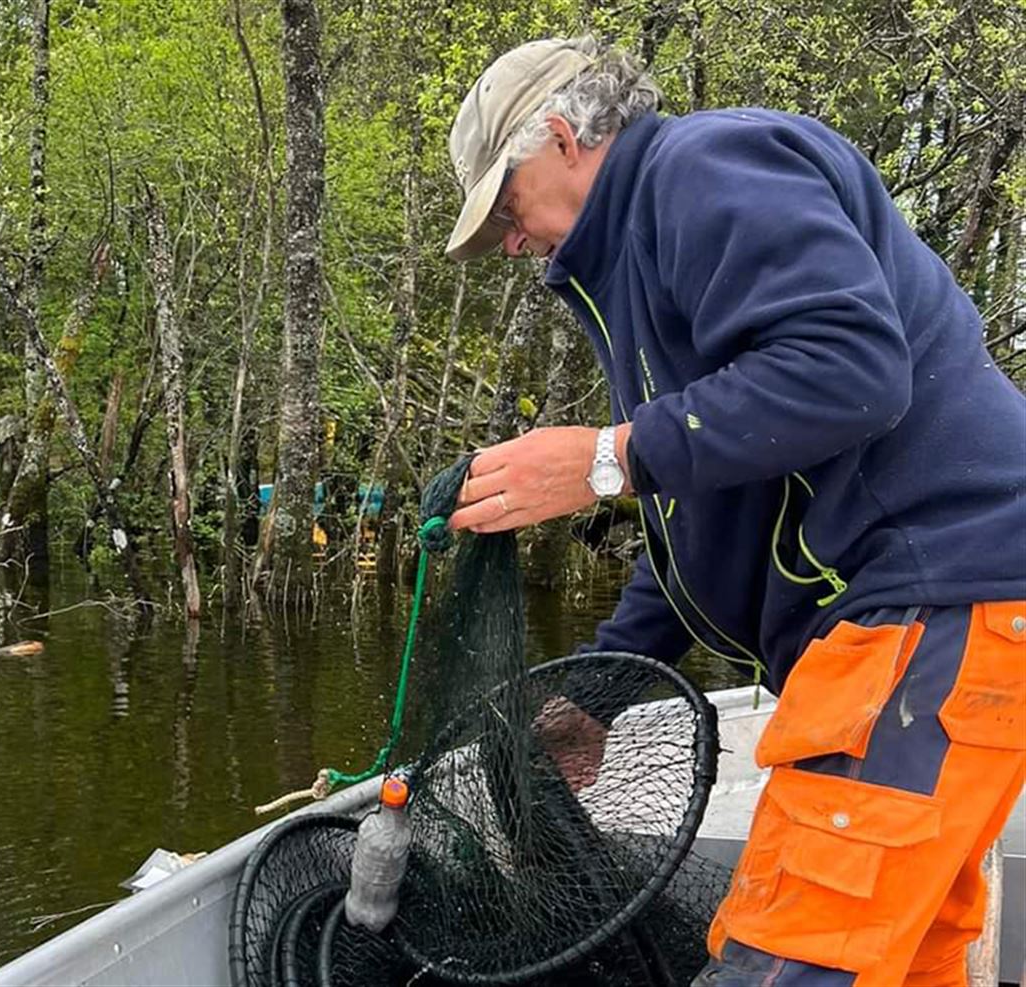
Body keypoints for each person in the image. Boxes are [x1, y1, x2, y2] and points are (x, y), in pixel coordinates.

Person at [443, 35, 1026, 987]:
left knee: (779, 963)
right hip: (942, 624)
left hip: (932, 609)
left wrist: (604, 459)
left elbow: (853, 369)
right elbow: (708, 512)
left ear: (561, 137)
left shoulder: (700, 167)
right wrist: (600, 692)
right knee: (900, 965)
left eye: (504, 209)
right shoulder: (643, 254)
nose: (511, 242)